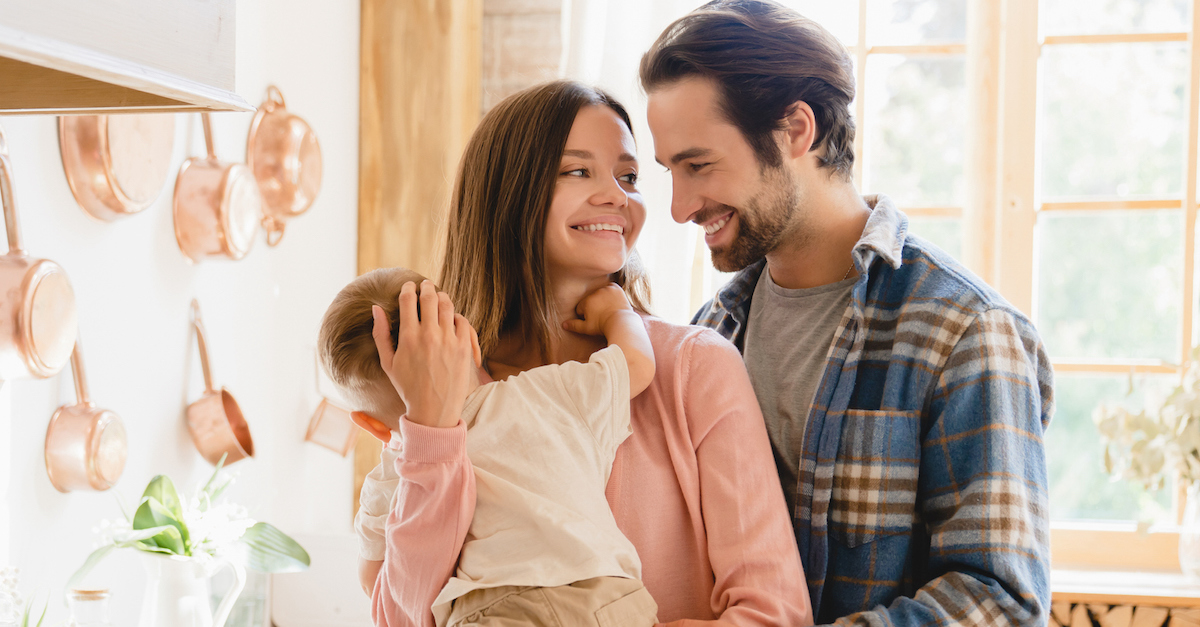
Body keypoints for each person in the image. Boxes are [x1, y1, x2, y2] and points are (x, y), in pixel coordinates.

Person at [639, 1, 1055, 625]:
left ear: (795, 130)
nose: (678, 207)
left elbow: (1001, 601)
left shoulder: (962, 330)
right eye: (670, 171)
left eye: (698, 165)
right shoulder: (710, 331)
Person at [350, 80, 812, 627]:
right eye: (577, 170)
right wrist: (430, 429)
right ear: (507, 192)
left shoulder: (693, 367)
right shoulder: (438, 389)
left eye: (630, 175)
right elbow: (402, 617)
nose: (617, 195)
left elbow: (773, 613)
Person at [319, 267, 659, 626]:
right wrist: (618, 313)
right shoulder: (550, 392)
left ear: (369, 425)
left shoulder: (393, 476)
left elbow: (379, 586)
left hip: (498, 611)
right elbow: (636, 364)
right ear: (470, 340)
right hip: (607, 595)